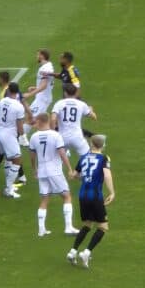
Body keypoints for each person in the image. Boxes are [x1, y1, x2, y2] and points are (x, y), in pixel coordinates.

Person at [68, 134, 115, 269]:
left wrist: (75, 176)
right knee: (103, 227)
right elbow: (107, 175)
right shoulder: (104, 158)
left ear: (91, 144)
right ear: (103, 145)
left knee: (87, 224)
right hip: (95, 196)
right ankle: (86, 253)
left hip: (83, 195)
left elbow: (75, 176)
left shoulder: (83, 157)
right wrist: (112, 192)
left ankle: (73, 252)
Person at [26, 113, 77, 237]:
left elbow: (32, 156)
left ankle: (41, 230)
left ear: (41, 121)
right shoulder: (55, 135)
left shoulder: (33, 137)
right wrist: (70, 169)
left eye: (36, 121)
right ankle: (68, 227)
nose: (35, 124)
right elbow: (62, 153)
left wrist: (34, 169)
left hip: (42, 171)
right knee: (66, 196)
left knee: (44, 199)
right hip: (55, 171)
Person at [0, 82, 28, 198]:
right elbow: (19, 124)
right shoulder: (18, 106)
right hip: (8, 135)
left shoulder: (2, 101)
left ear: (8, 90)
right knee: (17, 160)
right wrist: (23, 137)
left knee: (9, 159)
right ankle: (9, 189)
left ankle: (9, 186)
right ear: (17, 92)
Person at [52, 83, 98, 161]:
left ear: (65, 93)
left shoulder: (59, 103)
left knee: (56, 160)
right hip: (77, 137)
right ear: (75, 92)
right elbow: (94, 117)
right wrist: (91, 110)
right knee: (87, 158)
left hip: (62, 137)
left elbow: (53, 119)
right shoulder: (81, 104)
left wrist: (53, 132)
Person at [24, 48, 57, 144]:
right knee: (40, 121)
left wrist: (30, 94)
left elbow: (44, 85)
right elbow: (47, 84)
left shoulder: (45, 68)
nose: (36, 56)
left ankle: (21, 139)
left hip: (42, 99)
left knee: (31, 119)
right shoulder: (48, 66)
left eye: (38, 54)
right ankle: (56, 140)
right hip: (43, 97)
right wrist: (35, 88)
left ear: (42, 55)